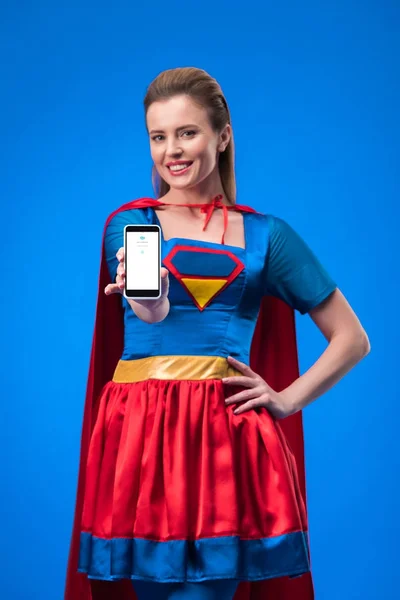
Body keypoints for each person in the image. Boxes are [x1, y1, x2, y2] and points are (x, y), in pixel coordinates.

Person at [64, 67, 370, 600]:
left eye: (187, 132)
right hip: (139, 435)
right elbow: (152, 319)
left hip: (224, 438)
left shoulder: (265, 235)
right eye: (158, 137)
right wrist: (149, 295)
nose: (171, 151)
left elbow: (351, 337)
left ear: (222, 135)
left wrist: (286, 399)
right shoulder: (131, 225)